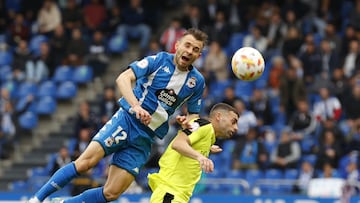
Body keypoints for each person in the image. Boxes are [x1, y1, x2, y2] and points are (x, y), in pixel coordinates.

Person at [28, 28, 208, 203]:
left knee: (111, 193)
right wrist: (136, 106)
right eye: (188, 45)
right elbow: (123, 78)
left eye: (195, 49)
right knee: (85, 163)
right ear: (177, 45)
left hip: (145, 138)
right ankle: (37, 199)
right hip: (126, 121)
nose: (190, 51)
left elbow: (193, 115)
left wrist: (187, 122)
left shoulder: (196, 82)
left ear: (199, 56)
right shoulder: (159, 60)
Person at [148, 103, 239, 203]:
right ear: (218, 116)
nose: (236, 128)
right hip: (170, 193)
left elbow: (191, 141)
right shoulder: (203, 125)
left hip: (177, 195)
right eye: (233, 122)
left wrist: (208, 147)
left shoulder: (208, 136)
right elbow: (178, 144)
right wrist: (200, 157)